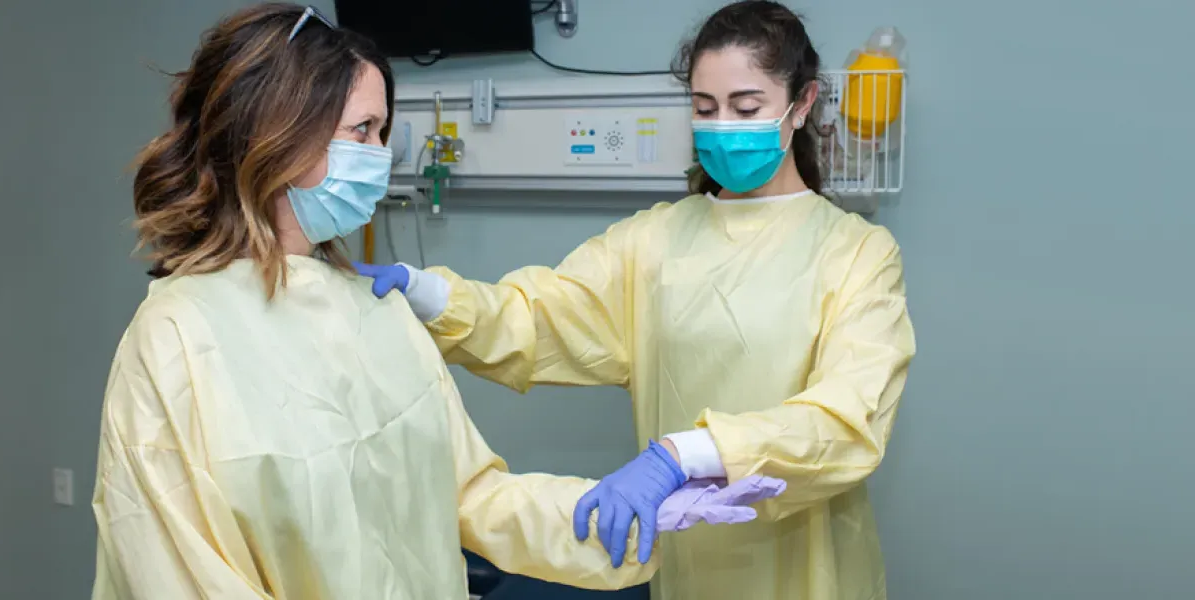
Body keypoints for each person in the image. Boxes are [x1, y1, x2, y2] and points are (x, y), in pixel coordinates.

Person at [89, 4, 782, 600]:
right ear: (278, 129)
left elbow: (473, 499)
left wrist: (619, 511)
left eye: (383, 132)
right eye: (363, 131)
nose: (380, 155)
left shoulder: (374, 309)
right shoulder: (176, 338)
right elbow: (176, 575)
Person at [354, 1, 918, 598]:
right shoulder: (653, 241)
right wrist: (430, 295)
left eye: (746, 107)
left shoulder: (858, 253)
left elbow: (847, 421)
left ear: (801, 105)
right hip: (687, 556)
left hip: (812, 564)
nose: (723, 125)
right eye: (705, 109)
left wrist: (683, 454)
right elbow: (538, 317)